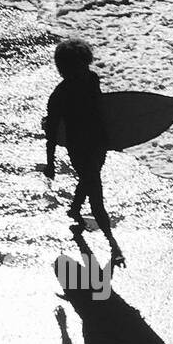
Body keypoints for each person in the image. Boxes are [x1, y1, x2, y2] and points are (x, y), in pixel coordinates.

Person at [41, 39, 125, 267]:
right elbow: (52, 132)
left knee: (89, 180)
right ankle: (113, 246)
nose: (84, 71)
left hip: (98, 143)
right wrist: (50, 164)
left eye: (85, 66)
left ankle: (75, 208)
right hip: (79, 148)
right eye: (78, 67)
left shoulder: (92, 79)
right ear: (66, 69)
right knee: (95, 193)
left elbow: (102, 111)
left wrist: (115, 138)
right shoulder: (58, 96)